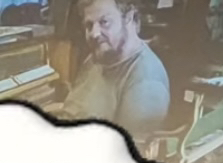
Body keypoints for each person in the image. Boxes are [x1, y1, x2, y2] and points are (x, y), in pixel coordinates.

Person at [60, 0, 170, 137]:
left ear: (129, 17)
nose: (94, 33)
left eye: (104, 22)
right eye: (89, 25)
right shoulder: (100, 56)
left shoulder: (147, 84)